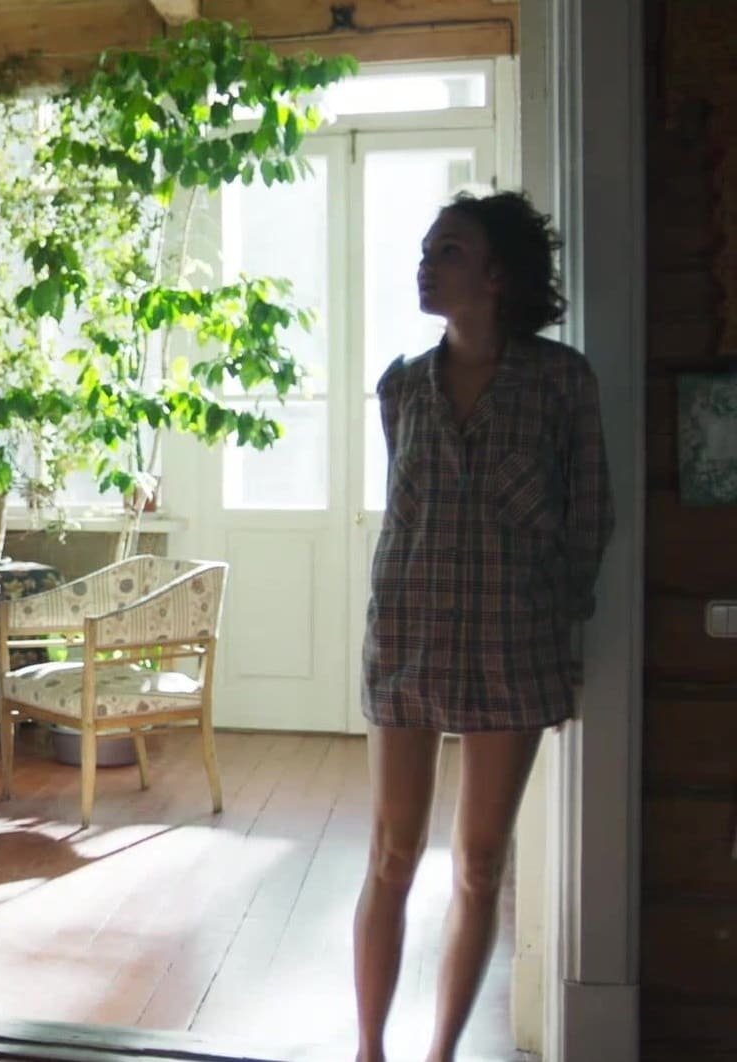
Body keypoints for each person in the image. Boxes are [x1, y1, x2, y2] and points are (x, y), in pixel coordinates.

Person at [355, 191, 614, 1062]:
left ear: (498, 273)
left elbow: (590, 518)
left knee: (477, 863)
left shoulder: (562, 382)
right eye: (426, 250)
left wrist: (555, 623)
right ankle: (368, 1050)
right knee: (391, 854)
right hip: (408, 640)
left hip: (513, 647)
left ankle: (440, 1054)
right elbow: (403, 519)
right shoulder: (400, 387)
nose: (427, 265)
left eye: (450, 251)